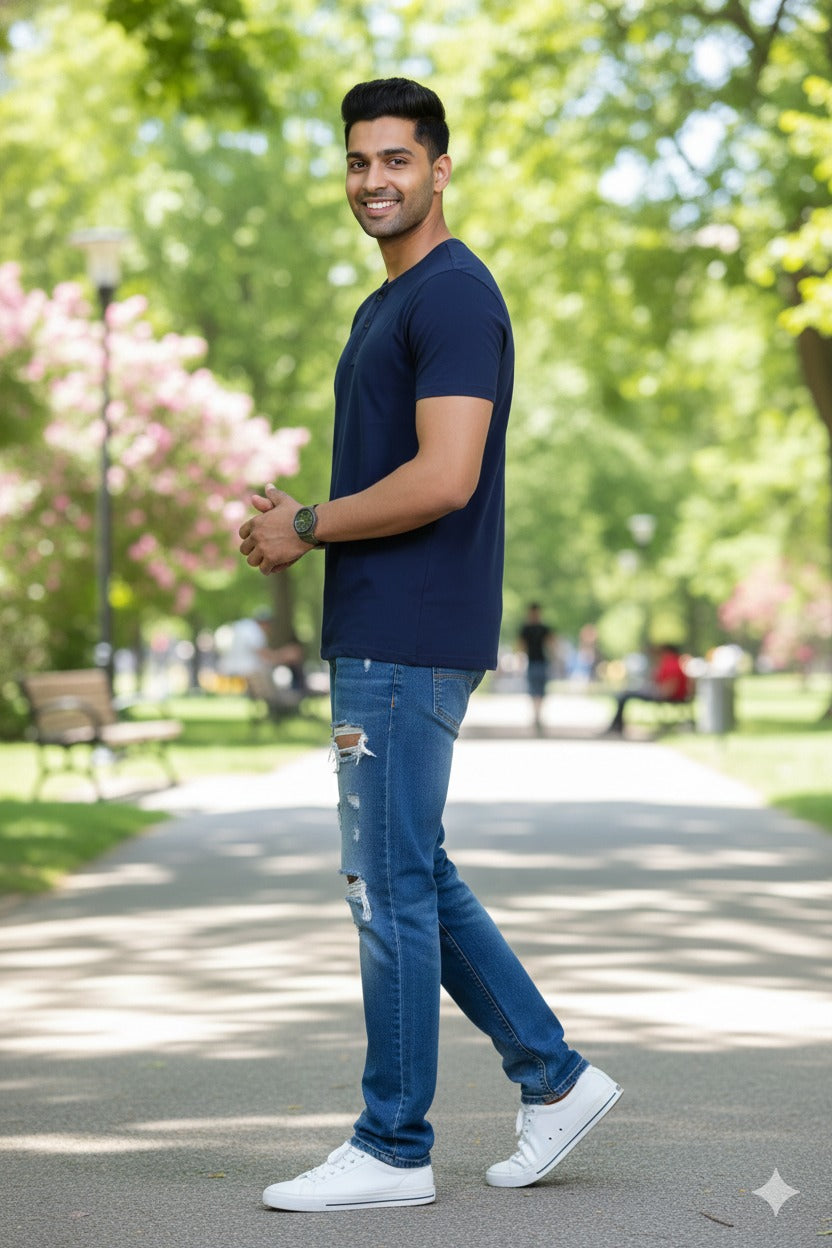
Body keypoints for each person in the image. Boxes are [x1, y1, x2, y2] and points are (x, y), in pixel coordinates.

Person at [238, 77, 621, 1214]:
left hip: (406, 639)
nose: (375, 180)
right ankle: (554, 1078)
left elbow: (445, 477)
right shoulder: (388, 304)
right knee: (409, 871)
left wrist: (309, 525)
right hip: (383, 630)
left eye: (397, 159)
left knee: (386, 885)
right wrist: (306, 519)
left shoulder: (452, 296)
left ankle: (393, 1145)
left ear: (440, 170)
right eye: (359, 161)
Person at [605, 642, 692, 735]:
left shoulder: (671, 663)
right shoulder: (674, 662)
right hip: (668, 694)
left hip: (665, 695)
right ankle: (616, 725)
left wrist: (657, 693)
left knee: (625, 695)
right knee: (627, 694)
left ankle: (616, 726)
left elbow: (670, 687)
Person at [517, 602, 555, 733]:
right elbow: (521, 646)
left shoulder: (542, 629)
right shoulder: (527, 629)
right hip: (533, 663)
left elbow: (551, 644)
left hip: (541, 663)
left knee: (539, 691)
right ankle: (536, 715)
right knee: (535, 690)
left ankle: (537, 715)